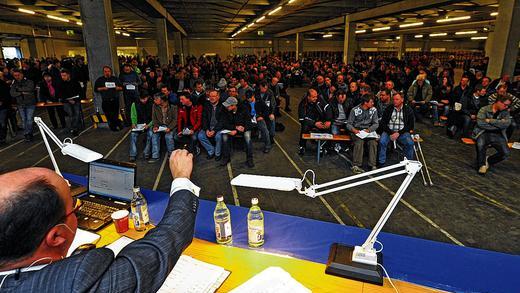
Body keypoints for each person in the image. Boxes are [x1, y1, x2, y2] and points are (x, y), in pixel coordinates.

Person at [0, 150, 199, 292]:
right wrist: (182, 178)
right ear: (56, 235)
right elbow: (161, 246)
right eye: (75, 206)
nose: (77, 207)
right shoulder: (77, 280)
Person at [473, 95, 512, 175]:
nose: (506, 107)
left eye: (508, 105)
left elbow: (507, 124)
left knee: (506, 153)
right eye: (505, 104)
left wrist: (490, 120)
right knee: (480, 145)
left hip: (498, 134)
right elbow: (480, 123)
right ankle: (482, 165)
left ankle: (489, 160)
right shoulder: (484, 109)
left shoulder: (505, 112)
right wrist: (498, 125)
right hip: (483, 132)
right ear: (498, 102)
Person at [378, 92, 415, 167]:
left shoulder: (408, 110)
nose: (394, 101)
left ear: (402, 100)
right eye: (393, 99)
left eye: (397, 99)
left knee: (410, 143)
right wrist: (390, 132)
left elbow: (411, 125)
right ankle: (381, 162)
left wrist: (398, 133)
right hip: (389, 131)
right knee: (382, 142)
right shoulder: (389, 108)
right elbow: (383, 123)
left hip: (402, 132)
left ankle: (409, 163)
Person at [216, 96, 254, 168]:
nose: (226, 107)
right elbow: (224, 123)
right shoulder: (225, 110)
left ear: (233, 105)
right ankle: (226, 157)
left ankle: (250, 158)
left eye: (228, 106)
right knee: (224, 137)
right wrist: (235, 128)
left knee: (247, 137)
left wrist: (244, 128)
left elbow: (249, 122)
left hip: (243, 128)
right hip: (232, 128)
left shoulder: (244, 109)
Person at [346, 95, 379, 174]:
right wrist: (354, 130)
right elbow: (348, 124)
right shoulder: (354, 110)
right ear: (365, 102)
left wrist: (369, 130)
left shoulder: (374, 110)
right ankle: (356, 165)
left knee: (373, 142)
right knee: (359, 142)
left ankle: (372, 165)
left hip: (368, 130)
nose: (373, 103)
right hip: (357, 130)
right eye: (371, 102)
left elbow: (376, 124)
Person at [297, 88, 331, 155]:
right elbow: (302, 119)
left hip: (320, 120)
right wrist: (314, 123)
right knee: (304, 127)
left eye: (316, 96)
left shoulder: (319, 100)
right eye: (313, 97)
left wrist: (328, 120)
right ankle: (302, 146)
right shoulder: (302, 104)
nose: (316, 98)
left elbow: (328, 108)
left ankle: (322, 146)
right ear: (308, 97)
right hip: (310, 122)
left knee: (328, 127)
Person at [10, 69, 36, 142]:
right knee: (24, 120)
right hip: (20, 104)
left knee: (29, 119)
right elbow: (12, 93)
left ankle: (29, 133)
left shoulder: (29, 81)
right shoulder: (13, 83)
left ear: (22, 74)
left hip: (30, 103)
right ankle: (27, 133)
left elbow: (30, 89)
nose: (17, 77)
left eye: (18, 75)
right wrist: (21, 93)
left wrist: (18, 89)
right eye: (15, 75)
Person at [94, 66, 123, 131]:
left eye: (108, 71)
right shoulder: (100, 80)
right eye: (105, 71)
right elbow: (96, 89)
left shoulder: (115, 79)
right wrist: (103, 88)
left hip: (115, 99)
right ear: (103, 72)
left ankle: (116, 125)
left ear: (111, 72)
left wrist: (118, 88)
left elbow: (122, 87)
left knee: (115, 114)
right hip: (106, 100)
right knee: (108, 115)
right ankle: (115, 125)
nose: (107, 73)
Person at [151, 93, 177, 163]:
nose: (154, 101)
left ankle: (171, 155)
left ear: (162, 100)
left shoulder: (173, 106)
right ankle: (155, 156)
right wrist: (155, 126)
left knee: (168, 137)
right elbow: (154, 118)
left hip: (170, 125)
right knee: (154, 135)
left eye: (156, 99)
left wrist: (169, 128)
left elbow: (175, 120)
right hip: (160, 126)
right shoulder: (154, 106)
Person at [198, 89, 224, 160]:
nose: (211, 98)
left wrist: (214, 130)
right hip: (209, 127)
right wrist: (206, 129)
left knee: (218, 137)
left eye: (214, 96)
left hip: (218, 128)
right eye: (210, 96)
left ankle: (217, 153)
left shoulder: (222, 106)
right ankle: (211, 150)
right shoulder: (206, 105)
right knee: (200, 136)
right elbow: (204, 119)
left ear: (218, 97)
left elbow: (222, 121)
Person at [129, 90, 154, 162]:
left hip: (149, 124)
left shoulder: (152, 104)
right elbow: (133, 115)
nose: (143, 100)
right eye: (141, 99)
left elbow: (155, 118)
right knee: (133, 134)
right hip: (139, 124)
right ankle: (132, 154)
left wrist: (149, 125)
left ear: (148, 97)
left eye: (145, 99)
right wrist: (133, 123)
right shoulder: (134, 104)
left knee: (150, 134)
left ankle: (146, 153)